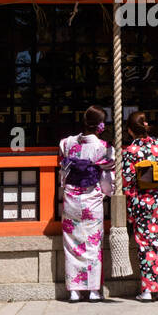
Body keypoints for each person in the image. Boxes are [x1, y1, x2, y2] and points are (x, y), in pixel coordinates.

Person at [58, 106, 116, 302]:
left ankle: (74, 290)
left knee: (72, 244)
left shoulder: (66, 143)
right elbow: (108, 179)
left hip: (71, 199)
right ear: (101, 125)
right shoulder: (104, 148)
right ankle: (93, 290)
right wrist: (106, 192)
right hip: (92, 199)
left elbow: (63, 173)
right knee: (92, 244)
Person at [121, 112, 158, 301]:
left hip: (143, 201)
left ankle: (147, 291)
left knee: (145, 245)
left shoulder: (129, 152)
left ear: (129, 130)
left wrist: (129, 207)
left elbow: (128, 181)